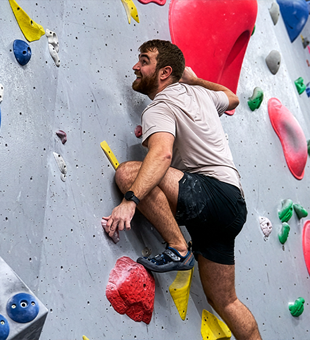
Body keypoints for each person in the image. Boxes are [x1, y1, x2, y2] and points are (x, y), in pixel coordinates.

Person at [102, 39, 262, 340]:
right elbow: (231, 98)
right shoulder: (201, 94)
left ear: (164, 72)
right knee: (225, 300)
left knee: (129, 174)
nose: (136, 67)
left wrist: (131, 200)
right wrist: (194, 79)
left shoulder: (160, 107)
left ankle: (178, 247)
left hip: (211, 194)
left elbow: (161, 155)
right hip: (232, 205)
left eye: (144, 60)